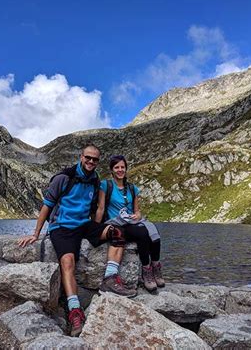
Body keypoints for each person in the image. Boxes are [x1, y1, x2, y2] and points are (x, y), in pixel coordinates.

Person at [18, 144, 136, 337]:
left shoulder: (94, 179)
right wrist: (35, 233)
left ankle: (110, 278)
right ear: (81, 157)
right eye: (88, 158)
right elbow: (47, 205)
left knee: (118, 232)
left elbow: (95, 208)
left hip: (83, 224)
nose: (91, 162)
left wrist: (98, 229)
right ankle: (74, 310)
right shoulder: (63, 178)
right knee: (67, 261)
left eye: (95, 160)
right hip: (61, 227)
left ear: (98, 162)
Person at [95, 155, 165, 292]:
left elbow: (137, 211)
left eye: (122, 167)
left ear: (126, 169)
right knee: (142, 233)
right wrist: (96, 229)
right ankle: (146, 271)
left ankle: (156, 267)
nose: (120, 170)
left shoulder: (133, 189)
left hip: (130, 222)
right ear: (112, 170)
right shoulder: (105, 185)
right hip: (116, 224)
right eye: (117, 167)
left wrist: (136, 215)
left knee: (153, 231)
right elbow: (101, 208)